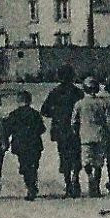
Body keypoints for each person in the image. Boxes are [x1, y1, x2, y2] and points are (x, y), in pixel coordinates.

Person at [41, 65, 84, 198]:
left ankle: (68, 184)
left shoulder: (55, 92)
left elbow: (44, 111)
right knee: (76, 154)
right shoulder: (78, 92)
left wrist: (57, 114)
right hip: (76, 129)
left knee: (64, 155)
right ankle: (75, 179)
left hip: (60, 129)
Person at [72, 75, 108, 198]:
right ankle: (96, 184)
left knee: (87, 161)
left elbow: (74, 122)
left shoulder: (79, 104)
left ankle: (90, 177)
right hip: (99, 135)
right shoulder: (102, 103)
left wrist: (76, 132)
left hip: (85, 136)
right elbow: (107, 119)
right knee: (98, 162)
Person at [4, 90, 45, 200]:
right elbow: (42, 129)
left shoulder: (14, 114)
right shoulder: (35, 114)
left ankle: (30, 186)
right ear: (30, 101)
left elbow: (7, 129)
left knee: (24, 165)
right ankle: (32, 185)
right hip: (34, 144)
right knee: (33, 165)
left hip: (20, 145)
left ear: (18, 101)